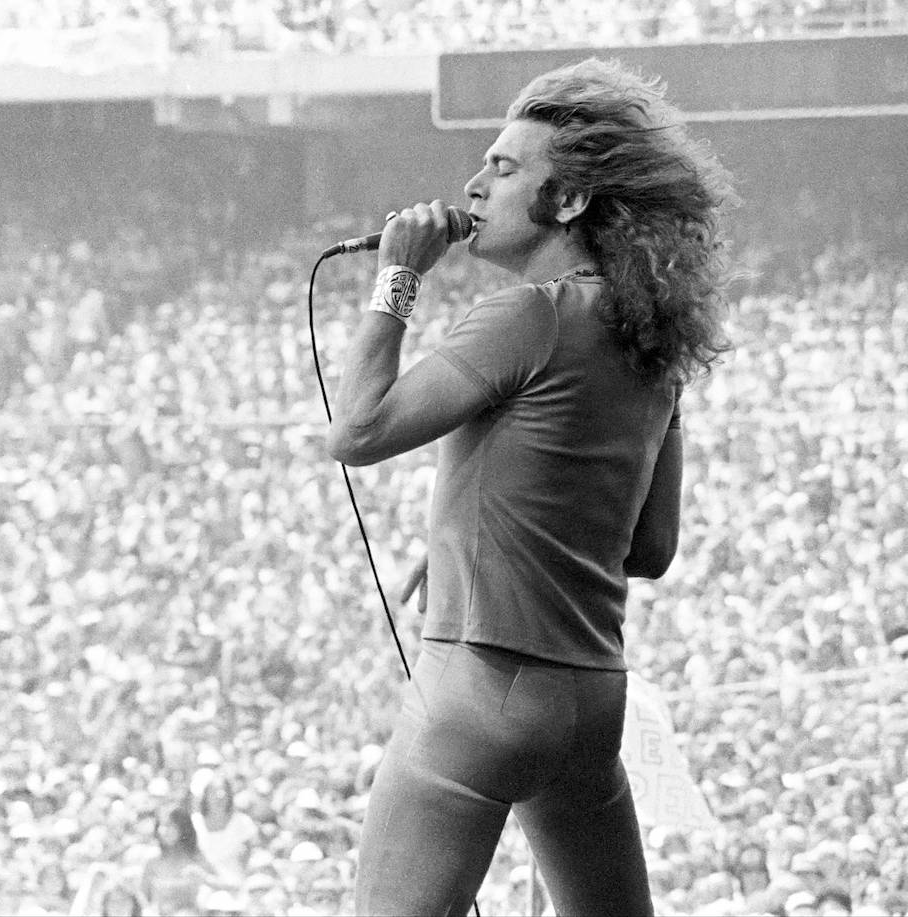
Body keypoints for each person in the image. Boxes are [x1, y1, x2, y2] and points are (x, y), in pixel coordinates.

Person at [326, 58, 734, 915]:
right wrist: (475, 543)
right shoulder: (650, 343)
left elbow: (357, 431)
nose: (474, 185)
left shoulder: (531, 313)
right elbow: (649, 549)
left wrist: (398, 276)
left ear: (572, 199)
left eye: (505, 168)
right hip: (590, 708)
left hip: (480, 690)